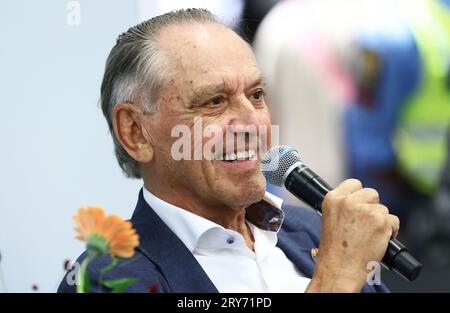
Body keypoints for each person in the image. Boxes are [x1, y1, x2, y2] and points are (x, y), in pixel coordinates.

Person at [58, 9, 398, 293]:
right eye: (215, 101)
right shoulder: (107, 279)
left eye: (256, 94)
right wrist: (335, 280)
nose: (252, 123)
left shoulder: (316, 230)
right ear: (136, 133)